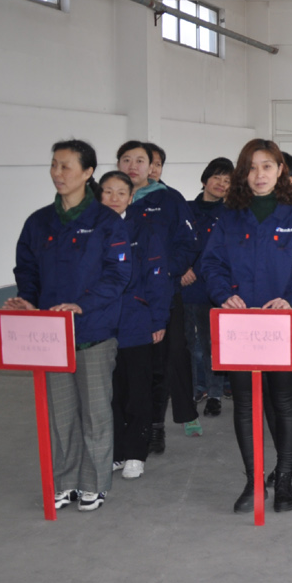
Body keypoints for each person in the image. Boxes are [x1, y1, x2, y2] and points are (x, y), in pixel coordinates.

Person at [200, 139, 292, 513]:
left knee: (285, 401)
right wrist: (223, 294)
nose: (258, 174)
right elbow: (211, 264)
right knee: (245, 405)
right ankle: (252, 481)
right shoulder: (229, 218)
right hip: (242, 326)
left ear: (281, 171)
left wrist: (291, 300)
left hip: (284, 323)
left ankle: (284, 480)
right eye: (251, 167)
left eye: (266, 166)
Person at [7, 139, 131, 512]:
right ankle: (65, 481)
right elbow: (27, 268)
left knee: (95, 413)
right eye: (54, 165)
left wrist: (83, 304)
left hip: (93, 332)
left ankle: (94, 483)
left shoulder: (107, 222)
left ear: (88, 172)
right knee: (60, 415)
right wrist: (28, 300)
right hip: (51, 336)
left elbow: (118, 274)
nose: (57, 173)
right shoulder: (38, 222)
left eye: (66, 166)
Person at [117, 141, 199, 452]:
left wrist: (165, 272)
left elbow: (188, 243)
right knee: (122, 365)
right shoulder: (108, 197)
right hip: (118, 299)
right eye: (126, 159)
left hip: (160, 294)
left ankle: (154, 426)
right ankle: (123, 427)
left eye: (141, 160)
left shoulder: (169, 199)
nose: (133, 166)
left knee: (161, 360)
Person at [99, 171, 168, 481]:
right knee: (108, 392)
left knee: (137, 391)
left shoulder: (144, 230)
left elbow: (157, 277)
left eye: (121, 193)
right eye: (107, 192)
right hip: (99, 325)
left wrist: (158, 319)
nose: (114, 198)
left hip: (136, 321)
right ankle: (115, 451)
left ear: (130, 198)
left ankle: (136, 453)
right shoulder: (89, 231)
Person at [182, 157, 233, 416]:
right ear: (205, 180)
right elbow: (176, 243)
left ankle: (214, 394)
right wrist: (182, 268)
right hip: (185, 286)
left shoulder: (231, 214)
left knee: (213, 343)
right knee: (189, 343)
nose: (221, 184)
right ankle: (195, 387)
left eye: (227, 181)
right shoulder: (186, 209)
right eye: (216, 178)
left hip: (214, 289)